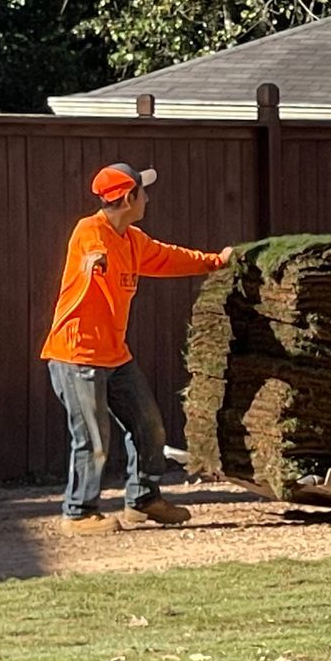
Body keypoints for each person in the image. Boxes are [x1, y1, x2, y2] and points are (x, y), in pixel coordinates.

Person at [41, 163, 233, 534]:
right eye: (143, 191)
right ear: (129, 198)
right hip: (76, 355)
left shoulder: (133, 239)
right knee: (93, 439)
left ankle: (143, 501)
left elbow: (169, 256)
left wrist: (215, 262)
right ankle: (78, 513)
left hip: (115, 354)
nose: (148, 196)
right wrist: (93, 265)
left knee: (149, 426)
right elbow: (89, 254)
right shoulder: (90, 231)